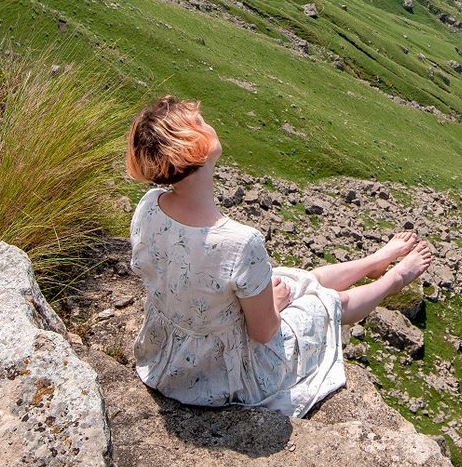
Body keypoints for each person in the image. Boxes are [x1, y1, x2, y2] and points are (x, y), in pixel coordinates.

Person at [125, 94, 433, 418]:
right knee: (327, 303)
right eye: (198, 123)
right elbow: (263, 332)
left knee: (293, 279)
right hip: (223, 374)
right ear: (191, 146)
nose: (208, 122)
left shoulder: (149, 204)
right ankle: (392, 280)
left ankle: (375, 261)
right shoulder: (241, 243)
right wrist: (274, 305)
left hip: (164, 356)